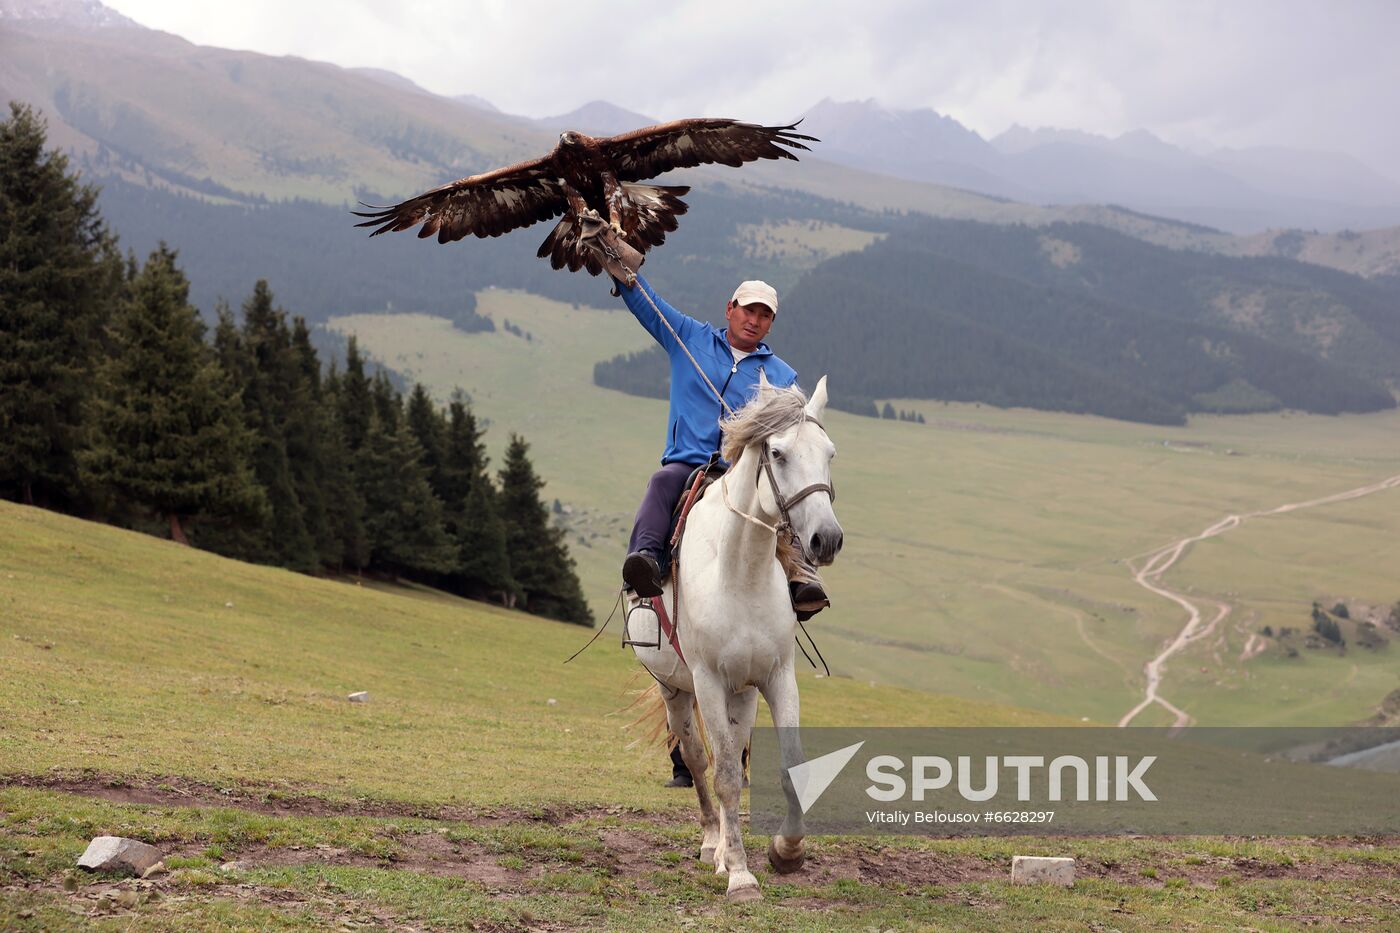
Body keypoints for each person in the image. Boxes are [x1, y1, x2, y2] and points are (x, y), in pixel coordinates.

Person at [615, 273, 830, 619]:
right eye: (748, 311)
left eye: (764, 315)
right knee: (662, 482)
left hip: (743, 474)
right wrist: (621, 271)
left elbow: (794, 440)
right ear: (730, 309)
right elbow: (647, 305)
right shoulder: (688, 337)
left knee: (785, 502)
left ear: (771, 325)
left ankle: (801, 576)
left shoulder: (782, 377)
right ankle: (646, 560)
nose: (754, 321)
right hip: (688, 464)